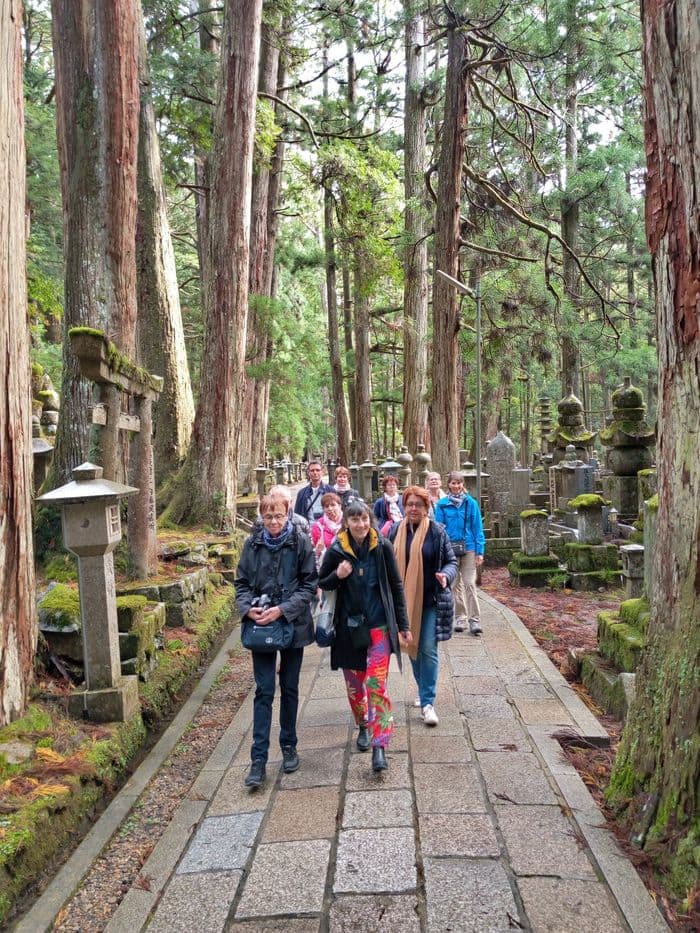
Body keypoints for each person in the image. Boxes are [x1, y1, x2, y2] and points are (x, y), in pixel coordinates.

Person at [319, 500, 412, 772]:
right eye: (354, 520)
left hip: (379, 626)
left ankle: (379, 744)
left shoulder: (382, 546)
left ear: (370, 520)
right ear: (346, 522)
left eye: (364, 519)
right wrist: (338, 574)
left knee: (375, 685)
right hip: (348, 630)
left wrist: (403, 624)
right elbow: (321, 583)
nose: (360, 525)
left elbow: (395, 585)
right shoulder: (337, 550)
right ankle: (362, 723)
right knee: (355, 686)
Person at [235, 494, 318, 788]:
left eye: (278, 516)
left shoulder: (300, 542)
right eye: (268, 516)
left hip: (293, 625)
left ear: (288, 515)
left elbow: (310, 584)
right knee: (264, 690)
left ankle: (289, 745)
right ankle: (258, 759)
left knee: (290, 688)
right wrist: (249, 609)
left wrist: (282, 610)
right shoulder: (253, 544)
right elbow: (242, 582)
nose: (273, 522)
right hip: (260, 625)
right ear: (262, 517)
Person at [390, 486, 457, 726]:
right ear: (404, 506)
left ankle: (428, 702)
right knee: (411, 646)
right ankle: (422, 688)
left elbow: (451, 562)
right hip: (402, 603)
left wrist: (446, 576)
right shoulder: (396, 530)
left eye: (418, 504)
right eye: (409, 504)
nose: (414, 508)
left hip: (430, 600)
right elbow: (385, 561)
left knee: (427, 648)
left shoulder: (437, 532)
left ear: (427, 508)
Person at [434, 471, 485, 635]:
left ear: (463, 485)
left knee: (470, 582)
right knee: (455, 584)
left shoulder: (471, 503)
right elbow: (438, 528)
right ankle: (460, 617)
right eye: (453, 483)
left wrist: (480, 551)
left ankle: (474, 619)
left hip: (469, 547)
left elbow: (478, 528)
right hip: (450, 549)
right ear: (448, 484)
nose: (456, 486)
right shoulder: (442, 504)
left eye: (459, 483)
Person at [310, 491, 344, 568]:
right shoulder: (318, 526)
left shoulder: (348, 523)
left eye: (333, 505)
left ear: (339, 506)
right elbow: (317, 552)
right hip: (327, 566)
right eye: (326, 506)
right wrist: (318, 550)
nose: (330, 508)